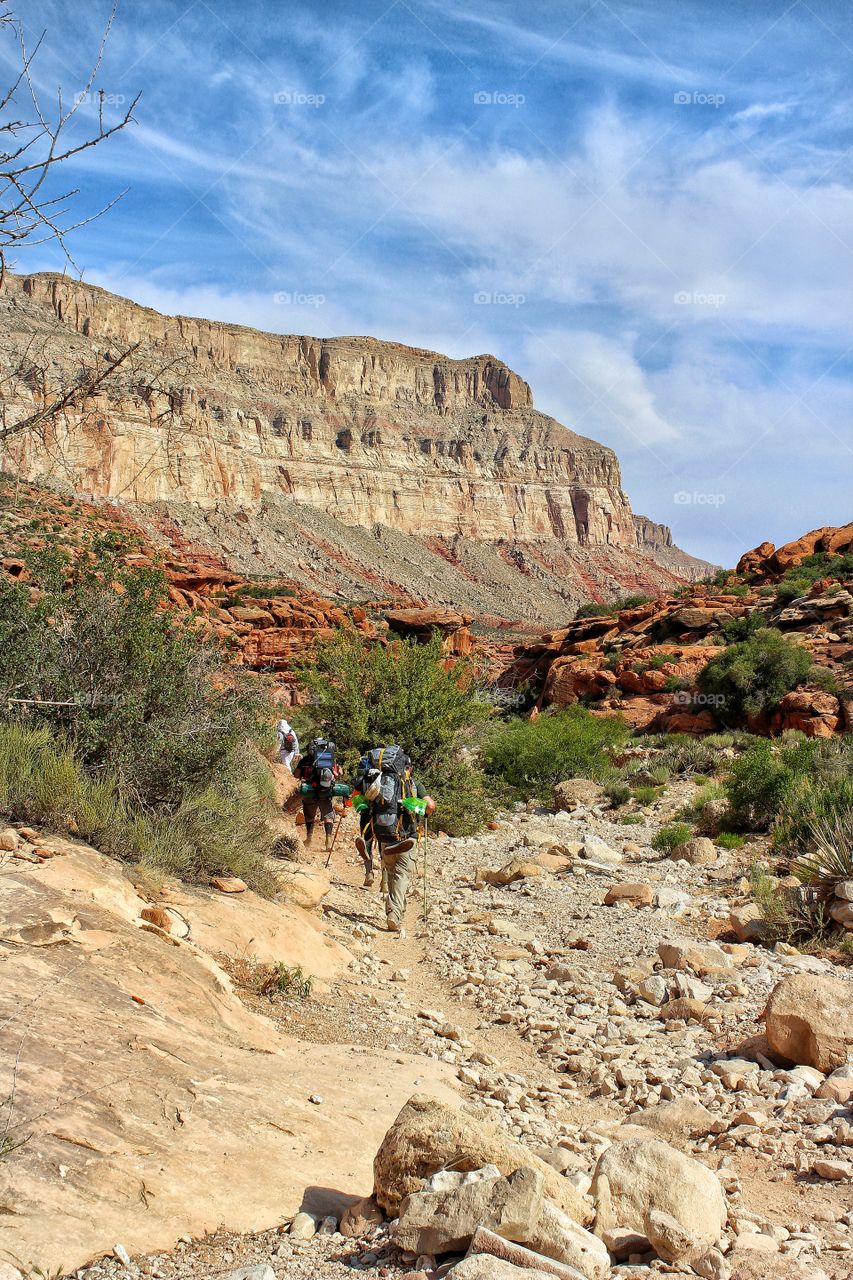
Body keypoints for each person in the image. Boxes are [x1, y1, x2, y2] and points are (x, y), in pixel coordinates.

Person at [356, 745, 435, 932]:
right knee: (401, 876)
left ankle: (394, 909)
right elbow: (430, 806)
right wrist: (422, 810)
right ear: (409, 768)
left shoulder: (379, 781)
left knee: (391, 873)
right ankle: (395, 914)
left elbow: (363, 804)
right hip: (408, 836)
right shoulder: (414, 784)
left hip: (385, 834)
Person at [295, 736, 342, 852]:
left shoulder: (305, 760)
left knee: (309, 815)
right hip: (325, 792)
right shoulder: (330, 760)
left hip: (310, 791)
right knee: (328, 815)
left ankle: (309, 838)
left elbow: (296, 775)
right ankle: (328, 841)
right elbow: (339, 773)